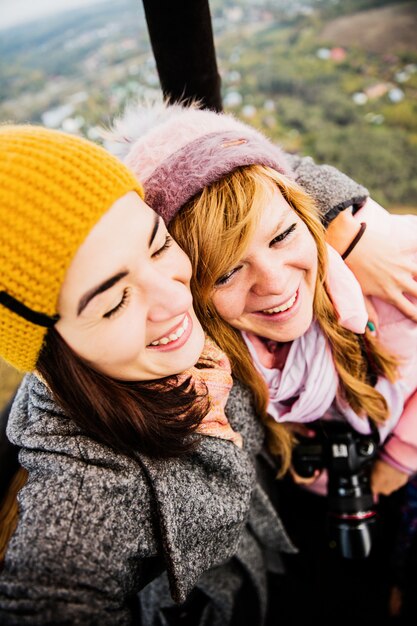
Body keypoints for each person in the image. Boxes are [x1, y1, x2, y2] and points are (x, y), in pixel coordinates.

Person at [106, 101, 417, 622]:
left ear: (306, 213)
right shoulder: (203, 348)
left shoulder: (392, 274)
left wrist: (397, 463)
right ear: (190, 289)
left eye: (282, 236)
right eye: (227, 273)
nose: (274, 285)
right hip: (302, 493)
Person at [0, 125, 299, 625]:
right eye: (115, 301)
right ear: (49, 350)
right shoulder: (85, 489)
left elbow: (235, 167)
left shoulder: (167, 320)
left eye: (159, 245)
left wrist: (352, 222)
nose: (175, 297)